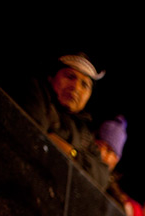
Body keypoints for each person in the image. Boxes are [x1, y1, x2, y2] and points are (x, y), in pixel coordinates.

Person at [18, 52, 110, 190]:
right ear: (52, 77)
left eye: (84, 85)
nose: (76, 87)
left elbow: (102, 178)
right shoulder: (37, 93)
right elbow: (34, 135)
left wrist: (72, 153)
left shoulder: (83, 130)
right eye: (70, 76)